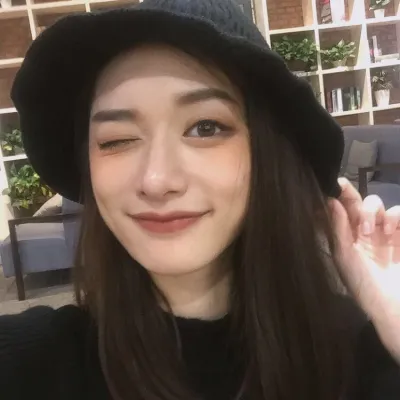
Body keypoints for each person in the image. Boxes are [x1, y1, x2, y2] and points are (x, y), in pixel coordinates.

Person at [1, 0, 399, 399]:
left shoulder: (355, 359)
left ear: (266, 153)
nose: (156, 180)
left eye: (205, 128)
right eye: (116, 140)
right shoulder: (38, 363)